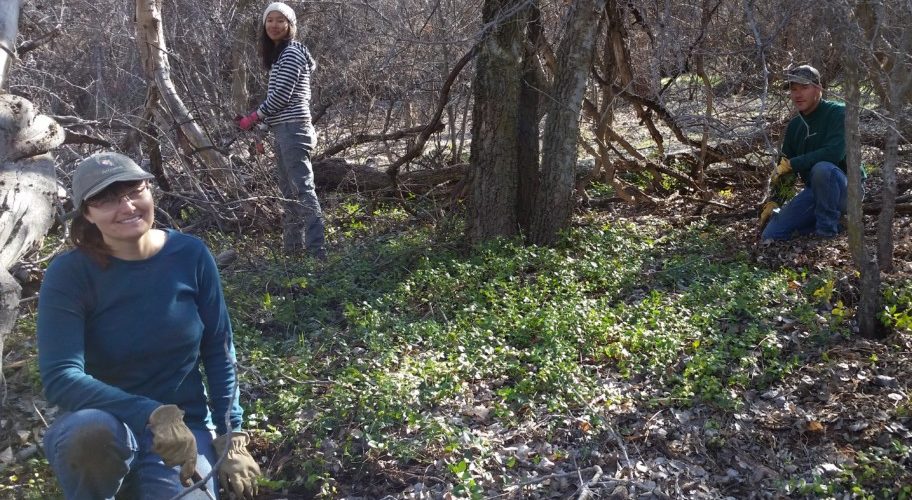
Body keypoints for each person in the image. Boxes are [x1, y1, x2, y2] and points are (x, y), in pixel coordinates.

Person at [37, 152, 260, 499]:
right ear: (87, 213)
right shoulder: (70, 273)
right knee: (88, 432)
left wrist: (232, 435)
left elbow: (219, 349)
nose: (126, 207)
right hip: (107, 429)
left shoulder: (190, 255)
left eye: (134, 191)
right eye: (106, 199)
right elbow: (61, 377)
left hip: (184, 432)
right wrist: (151, 413)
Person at [237, 1, 325, 258]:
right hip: (284, 129)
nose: (274, 25)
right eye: (269, 20)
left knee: (303, 190)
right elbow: (278, 103)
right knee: (289, 193)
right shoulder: (279, 56)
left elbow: (281, 97)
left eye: (280, 20)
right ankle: (293, 251)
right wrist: (262, 131)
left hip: (294, 130)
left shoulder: (291, 53)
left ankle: (317, 253)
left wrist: (253, 117)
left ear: (290, 25)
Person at [759, 64, 858, 241]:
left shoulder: (839, 113)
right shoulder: (794, 126)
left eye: (804, 88)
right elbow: (785, 170)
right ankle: (838, 224)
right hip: (816, 192)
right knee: (772, 233)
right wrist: (775, 201)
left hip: (847, 191)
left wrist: (794, 163)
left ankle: (827, 232)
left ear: (818, 88)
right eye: (793, 89)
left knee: (823, 169)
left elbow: (834, 154)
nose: (798, 94)